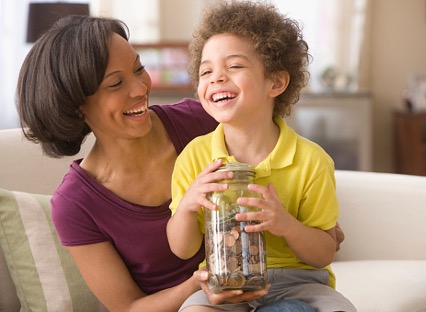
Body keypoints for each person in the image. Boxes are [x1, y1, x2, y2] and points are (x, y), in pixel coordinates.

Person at [15, 15, 285, 312]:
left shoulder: (202, 120)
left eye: (139, 69)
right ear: (76, 106)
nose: (140, 88)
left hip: (270, 290)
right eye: (116, 83)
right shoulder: (75, 204)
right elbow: (130, 307)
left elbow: (283, 168)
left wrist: (308, 221)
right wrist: (200, 285)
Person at [166, 1, 356, 311]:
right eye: (206, 70)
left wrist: (285, 224)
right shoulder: (194, 157)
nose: (216, 77)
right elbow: (181, 249)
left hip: (299, 282)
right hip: (224, 282)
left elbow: (323, 253)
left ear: (276, 82)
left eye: (234, 66)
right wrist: (187, 206)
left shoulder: (311, 161)